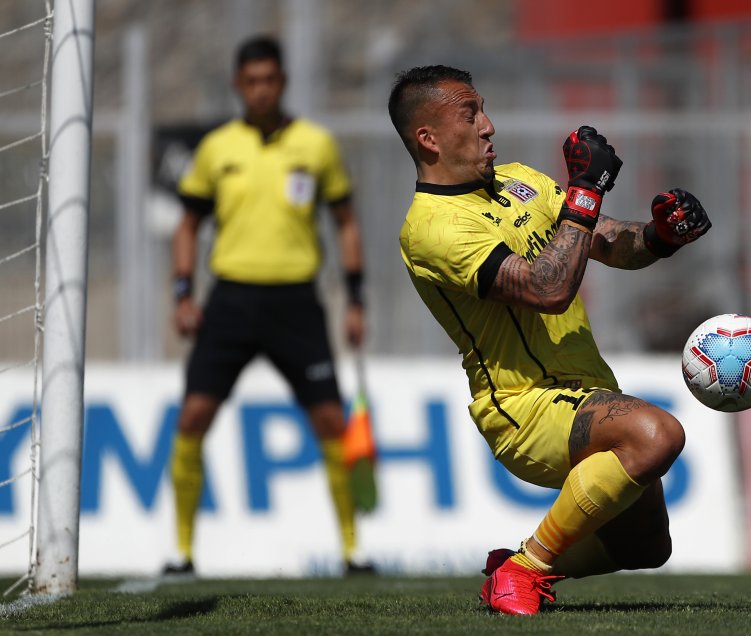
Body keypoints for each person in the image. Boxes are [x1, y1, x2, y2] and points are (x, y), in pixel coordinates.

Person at [390, 66, 711, 615]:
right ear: (429, 137)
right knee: (658, 435)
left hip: (586, 390)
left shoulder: (520, 180)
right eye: (470, 114)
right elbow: (547, 289)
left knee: (647, 547)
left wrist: (659, 235)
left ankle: (510, 565)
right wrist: (584, 191)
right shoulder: (432, 227)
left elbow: (609, 243)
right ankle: (524, 571)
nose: (488, 126)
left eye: (484, 109)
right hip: (524, 407)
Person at [165, 35, 372, 576]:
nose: (260, 90)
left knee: (331, 419)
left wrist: (355, 300)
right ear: (239, 85)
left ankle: (353, 550)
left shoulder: (316, 144)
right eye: (251, 81)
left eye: (269, 80)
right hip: (230, 299)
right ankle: (182, 551)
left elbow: (346, 224)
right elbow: (186, 226)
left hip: (296, 302)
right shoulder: (218, 148)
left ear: (282, 82)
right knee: (193, 416)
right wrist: (182, 291)